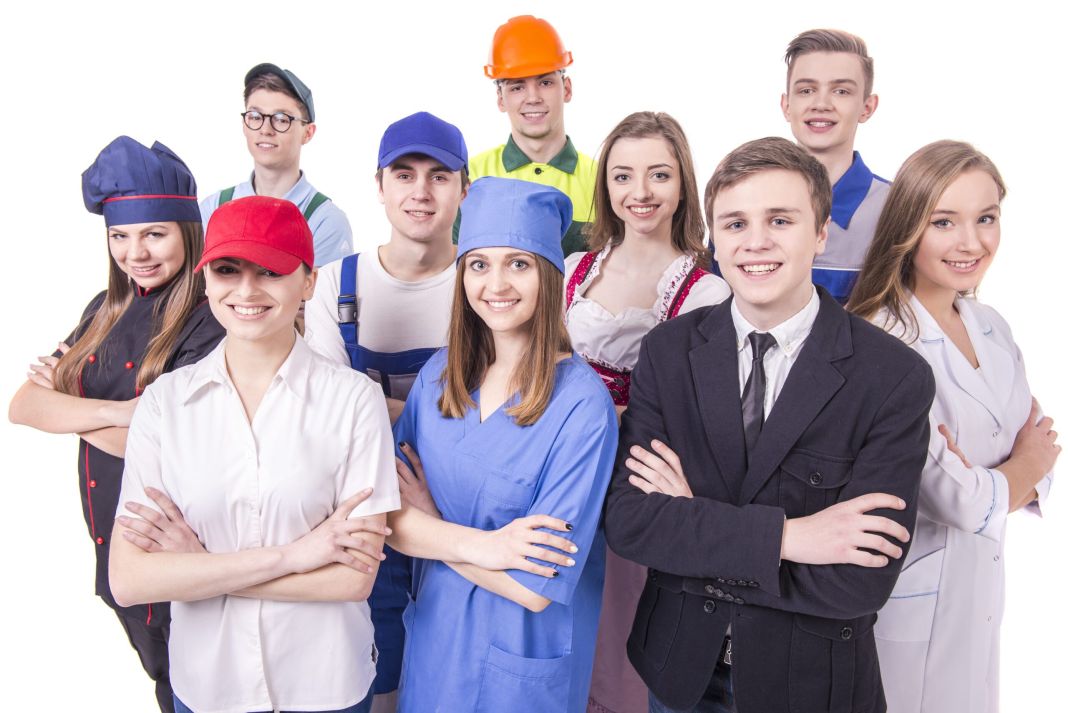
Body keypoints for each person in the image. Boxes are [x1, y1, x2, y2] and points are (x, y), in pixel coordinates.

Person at [603, 137, 936, 713]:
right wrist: (792, 538)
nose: (755, 242)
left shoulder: (892, 376)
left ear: (821, 232)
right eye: (735, 224)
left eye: (780, 220)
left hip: (809, 685)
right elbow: (631, 523)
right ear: (713, 238)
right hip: (678, 671)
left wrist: (694, 526)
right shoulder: (668, 351)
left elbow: (860, 581)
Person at [107, 195, 399, 713]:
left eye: (270, 271)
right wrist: (294, 556)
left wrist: (201, 571)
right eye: (227, 270)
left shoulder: (355, 400)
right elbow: (130, 580)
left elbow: (354, 578)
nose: (246, 290)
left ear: (308, 282)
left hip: (325, 683)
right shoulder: (165, 404)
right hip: (209, 685)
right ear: (205, 280)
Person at [7, 136, 224, 713]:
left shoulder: (209, 318)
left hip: (177, 544)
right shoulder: (103, 310)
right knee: (165, 683)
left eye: (154, 234)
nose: (136, 253)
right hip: (111, 540)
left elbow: (172, 448)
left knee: (201, 687)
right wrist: (119, 413)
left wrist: (69, 409)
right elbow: (23, 405)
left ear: (188, 231)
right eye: (120, 237)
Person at [385, 177, 617, 712]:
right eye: (478, 264)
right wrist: (489, 547)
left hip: (520, 664)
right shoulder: (438, 377)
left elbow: (534, 587)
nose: (496, 284)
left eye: (518, 263)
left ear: (548, 276)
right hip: (436, 645)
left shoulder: (582, 406)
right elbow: (389, 519)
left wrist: (431, 530)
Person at [848, 140, 1058, 713]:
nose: (971, 242)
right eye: (944, 222)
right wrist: (1024, 465)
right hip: (909, 607)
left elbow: (1041, 448)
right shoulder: (881, 340)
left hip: (980, 593)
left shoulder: (990, 325)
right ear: (907, 227)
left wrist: (1015, 472)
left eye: (986, 218)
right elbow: (960, 501)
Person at [564, 111, 729, 713]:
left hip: (640, 478)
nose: (640, 192)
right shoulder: (575, 270)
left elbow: (691, 411)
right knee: (565, 614)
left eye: (659, 174)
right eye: (622, 176)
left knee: (625, 625)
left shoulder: (706, 291)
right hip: (565, 473)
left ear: (683, 183)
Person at [303, 110, 468, 711]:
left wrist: (370, 400)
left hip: (460, 512)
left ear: (464, 188)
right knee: (376, 680)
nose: (420, 192)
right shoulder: (334, 283)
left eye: (439, 176)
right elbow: (327, 411)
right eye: (404, 175)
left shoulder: (485, 282)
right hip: (363, 517)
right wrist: (453, 410)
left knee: (456, 676)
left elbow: (509, 415)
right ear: (379, 185)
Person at [459, 15, 596, 255]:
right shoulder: (471, 177)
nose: (533, 98)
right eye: (517, 87)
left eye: (545, 83)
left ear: (566, 89)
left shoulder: (601, 179)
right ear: (501, 99)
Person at [200, 62, 353, 266]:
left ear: (308, 133)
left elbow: (324, 288)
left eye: (281, 119)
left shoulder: (325, 221)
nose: (265, 129)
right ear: (244, 125)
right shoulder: (213, 208)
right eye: (255, 117)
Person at [779, 28, 888, 303]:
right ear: (787, 105)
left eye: (841, 91)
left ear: (867, 107)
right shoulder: (743, 199)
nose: (821, 104)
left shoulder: (897, 208)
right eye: (806, 90)